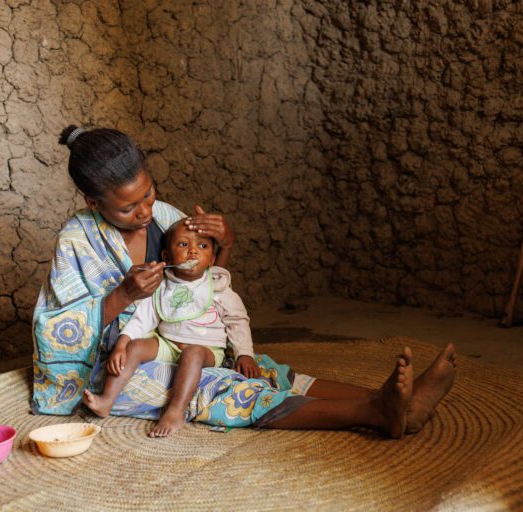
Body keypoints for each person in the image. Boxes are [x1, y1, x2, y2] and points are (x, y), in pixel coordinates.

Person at [32, 125, 456, 438]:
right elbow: (54, 332)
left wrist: (225, 241)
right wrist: (124, 294)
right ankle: (373, 413)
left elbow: (210, 282)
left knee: (260, 368)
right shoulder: (77, 241)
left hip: (183, 339)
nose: (144, 212)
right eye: (128, 208)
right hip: (121, 366)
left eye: (148, 194)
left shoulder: (164, 215)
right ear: (93, 202)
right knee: (226, 388)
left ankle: (400, 404)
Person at [83, 220, 261, 437]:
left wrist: (245, 354)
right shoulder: (162, 286)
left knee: (192, 352)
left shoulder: (217, 287)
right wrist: (122, 344)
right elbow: (142, 319)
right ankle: (106, 400)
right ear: (167, 257)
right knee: (137, 346)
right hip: (167, 344)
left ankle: (176, 410)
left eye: (202, 246)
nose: (193, 251)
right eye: (183, 245)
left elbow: (237, 320)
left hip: (205, 351)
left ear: (212, 259)